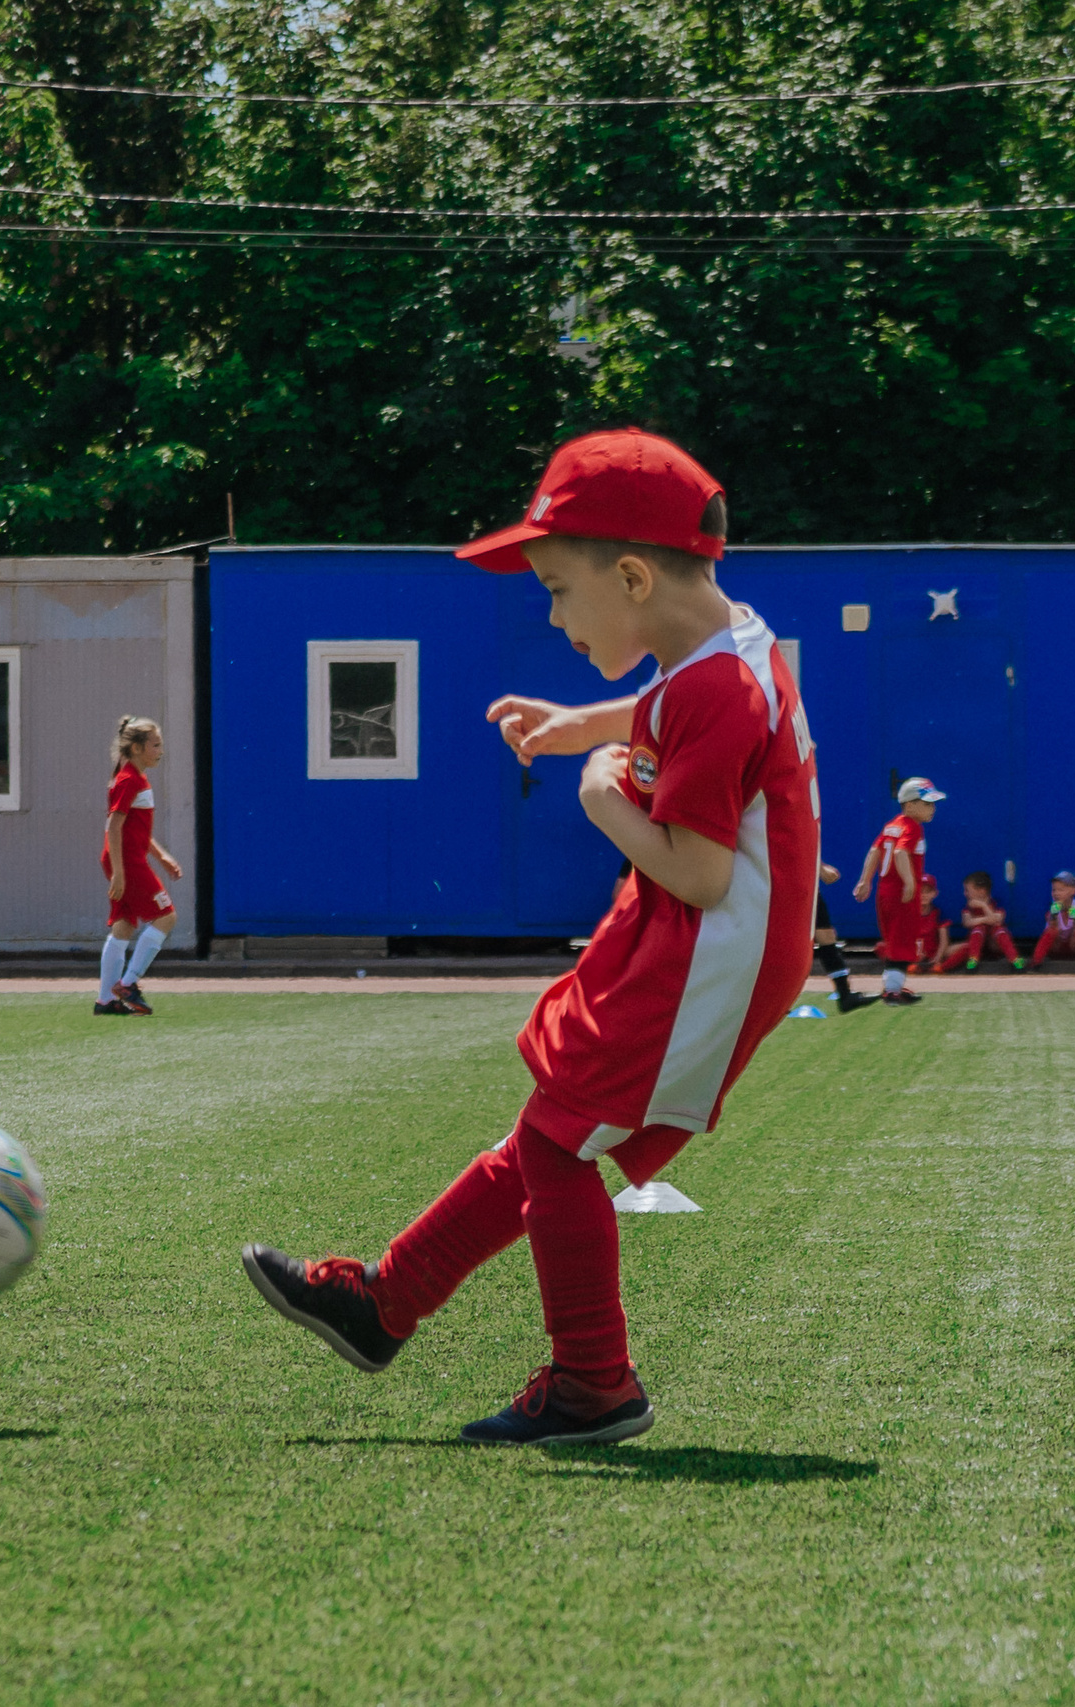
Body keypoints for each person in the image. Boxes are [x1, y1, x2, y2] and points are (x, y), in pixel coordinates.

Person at [240, 428, 817, 1446]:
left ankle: (594, 1383)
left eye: (555, 587)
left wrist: (599, 795)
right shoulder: (728, 645)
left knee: (556, 1147)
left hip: (704, 949)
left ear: (632, 576)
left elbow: (700, 868)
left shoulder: (714, 688)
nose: (549, 612)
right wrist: (586, 724)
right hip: (690, 942)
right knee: (549, 1127)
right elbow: (664, 710)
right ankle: (383, 1304)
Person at [97, 715, 185, 1016]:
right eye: (155, 745)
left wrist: (161, 856)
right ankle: (129, 984)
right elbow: (114, 826)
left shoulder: (134, 777)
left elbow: (136, 829)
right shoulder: (129, 779)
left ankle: (106, 1001)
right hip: (127, 862)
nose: (160, 750)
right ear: (136, 748)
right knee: (166, 917)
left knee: (124, 926)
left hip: (124, 858)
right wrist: (120, 873)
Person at [853, 778, 945, 1004]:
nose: (932, 808)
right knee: (903, 942)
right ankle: (892, 992)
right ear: (910, 805)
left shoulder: (892, 824)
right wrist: (910, 883)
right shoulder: (912, 827)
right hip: (901, 895)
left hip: (885, 893)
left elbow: (875, 850)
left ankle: (893, 987)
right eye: (927, 803)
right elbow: (900, 853)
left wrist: (865, 880)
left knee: (894, 940)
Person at [814, 861, 879, 1011]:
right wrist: (820, 868)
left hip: (805, 884)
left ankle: (845, 995)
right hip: (791, 883)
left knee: (826, 936)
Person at [934, 870, 1025, 972]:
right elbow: (967, 922)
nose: (965, 893)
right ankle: (966, 961)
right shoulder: (968, 908)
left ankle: (1014, 959)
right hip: (975, 945)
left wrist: (983, 906)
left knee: (999, 930)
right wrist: (986, 920)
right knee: (978, 929)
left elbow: (997, 921)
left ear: (981, 891)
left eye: (967, 890)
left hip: (993, 944)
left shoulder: (996, 904)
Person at [1028, 870, 1075, 969]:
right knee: (1052, 930)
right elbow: (1052, 924)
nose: (1056, 893)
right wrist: (1055, 913)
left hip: (1073, 948)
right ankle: (1035, 963)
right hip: (1056, 948)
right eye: (1054, 890)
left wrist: (1074, 914)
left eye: (1061, 890)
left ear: (1074, 890)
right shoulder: (1053, 908)